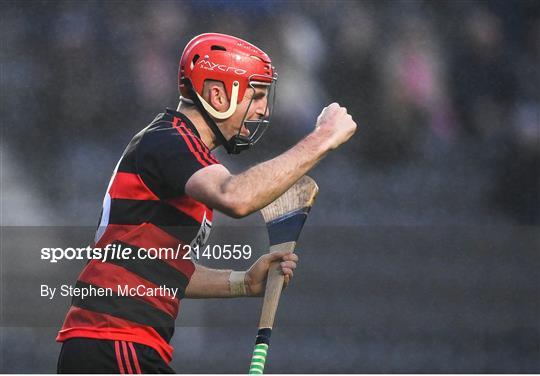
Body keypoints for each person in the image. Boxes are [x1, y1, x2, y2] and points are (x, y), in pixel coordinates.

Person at [56, 33, 356, 373]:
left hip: (114, 342)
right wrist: (322, 139)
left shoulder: (182, 153)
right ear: (217, 94)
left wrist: (243, 282)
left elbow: (162, 268)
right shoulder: (169, 139)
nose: (264, 109)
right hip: (116, 339)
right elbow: (236, 197)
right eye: (256, 95)